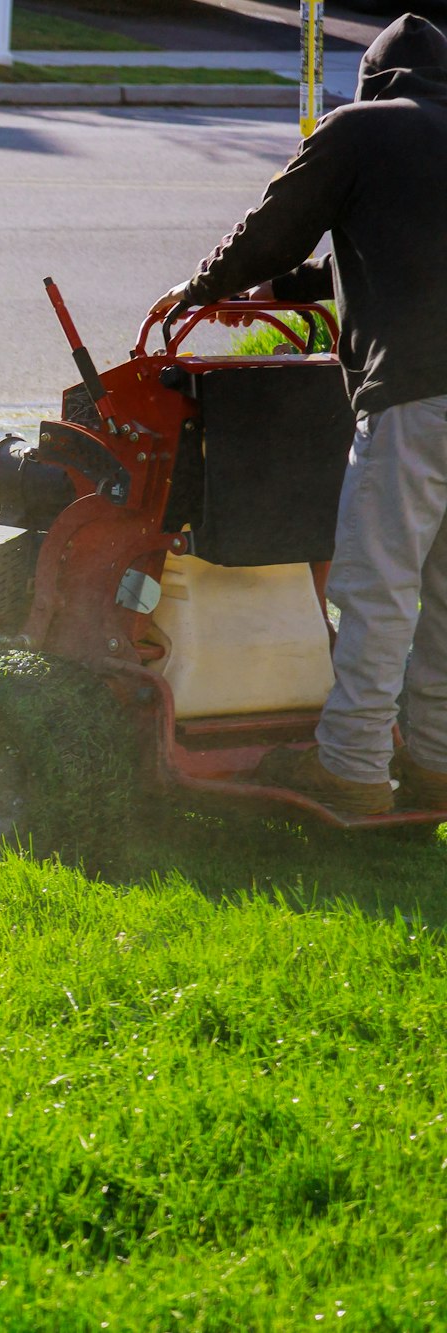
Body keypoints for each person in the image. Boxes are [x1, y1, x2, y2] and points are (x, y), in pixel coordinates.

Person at [159, 13, 447, 817]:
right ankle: (435, 763)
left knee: (378, 584)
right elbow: (397, 241)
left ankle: (351, 761)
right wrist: (290, 292)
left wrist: (200, 288)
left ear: (372, 83)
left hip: (419, 397)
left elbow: (274, 230)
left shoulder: (356, 130)